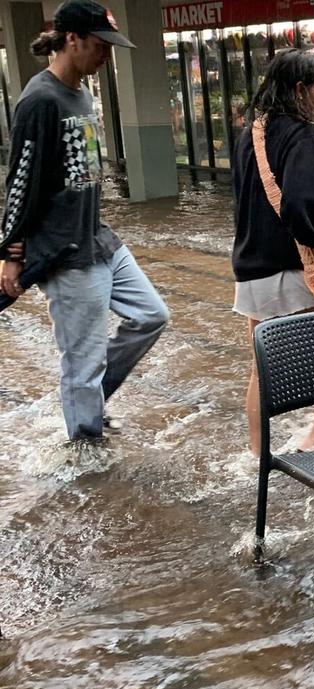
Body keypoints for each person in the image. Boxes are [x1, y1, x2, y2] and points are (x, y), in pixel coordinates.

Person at [0, 0, 169, 442]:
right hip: (65, 252)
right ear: (70, 38)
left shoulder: (80, 92)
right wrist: (12, 255)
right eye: (100, 45)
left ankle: (90, 400)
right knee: (81, 362)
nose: (106, 56)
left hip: (99, 240)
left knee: (151, 315)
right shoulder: (39, 100)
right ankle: (85, 450)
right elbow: (21, 182)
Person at [232, 49, 314, 455]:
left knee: (262, 370)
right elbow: (301, 205)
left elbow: (241, 201)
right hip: (292, 270)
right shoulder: (305, 135)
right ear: (300, 89)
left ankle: (258, 454)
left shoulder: (252, 134)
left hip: (250, 270)